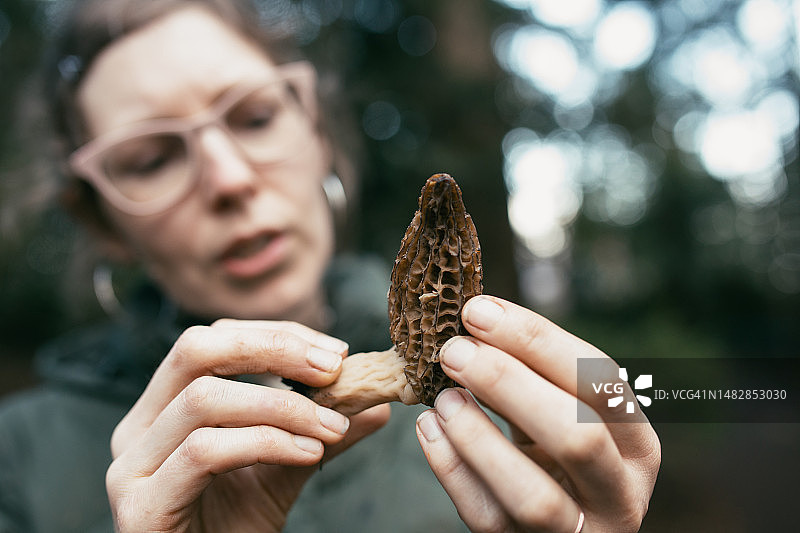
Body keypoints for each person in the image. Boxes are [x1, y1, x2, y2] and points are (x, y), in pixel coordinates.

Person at [0, 0, 660, 531]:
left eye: (255, 117)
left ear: (316, 134)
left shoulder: (508, 402)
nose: (229, 179)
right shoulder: (17, 459)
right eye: (150, 159)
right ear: (102, 222)